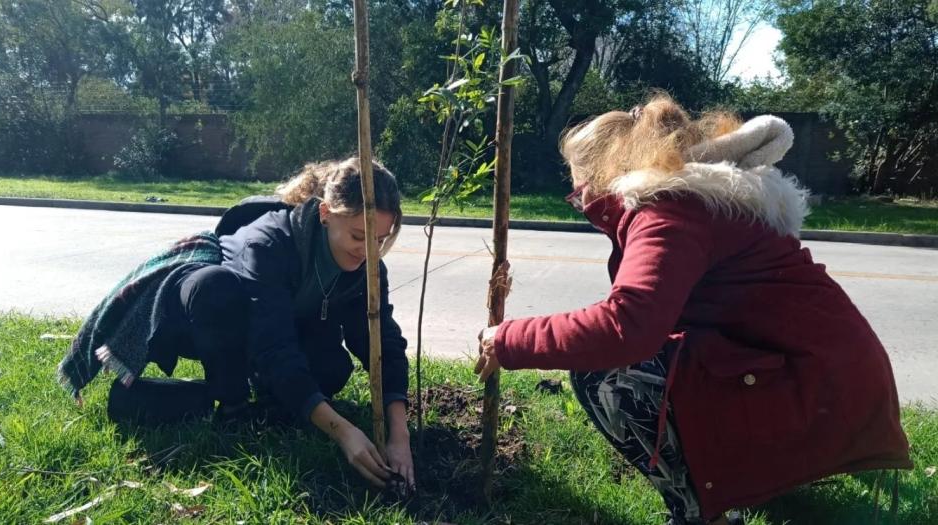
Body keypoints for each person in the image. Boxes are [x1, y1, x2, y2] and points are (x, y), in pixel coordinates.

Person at [474, 95, 911, 524]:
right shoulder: (694, 199)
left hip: (819, 393)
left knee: (602, 375)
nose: (582, 201)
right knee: (653, 360)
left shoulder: (669, 210)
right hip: (829, 381)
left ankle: (702, 514)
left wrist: (507, 339)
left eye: (580, 188)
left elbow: (627, 327)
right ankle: (741, 481)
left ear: (609, 173)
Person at [58, 157, 414, 490]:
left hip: (274, 326)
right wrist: (343, 432)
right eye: (357, 236)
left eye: (380, 241)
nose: (369, 251)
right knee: (217, 288)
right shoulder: (267, 244)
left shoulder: (368, 269)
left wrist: (399, 436)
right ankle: (232, 406)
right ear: (325, 213)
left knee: (331, 367)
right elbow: (274, 345)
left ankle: (205, 399)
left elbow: (381, 341)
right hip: (205, 315)